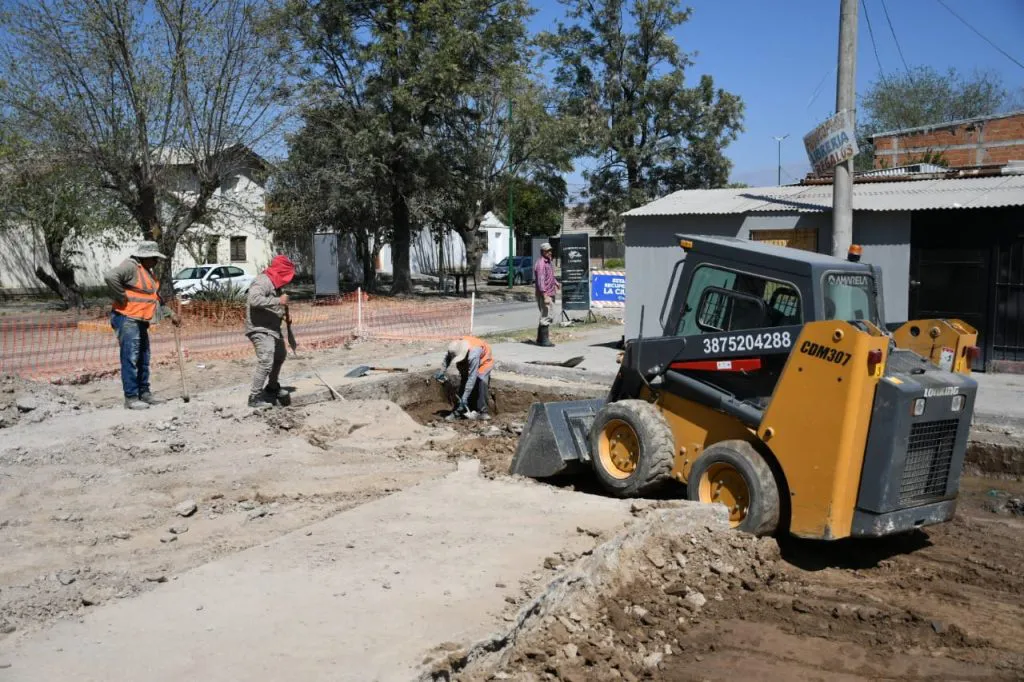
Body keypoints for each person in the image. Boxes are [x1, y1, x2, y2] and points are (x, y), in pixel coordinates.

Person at [104, 241, 181, 410]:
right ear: (145, 257)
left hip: (140, 320)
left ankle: (144, 393)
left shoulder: (147, 273)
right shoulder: (131, 266)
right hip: (127, 318)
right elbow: (110, 277)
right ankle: (131, 397)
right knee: (131, 358)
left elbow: (154, 299)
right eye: (154, 258)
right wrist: (121, 297)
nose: (156, 261)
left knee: (144, 358)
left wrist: (171, 314)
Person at [245, 255, 295, 408]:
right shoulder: (263, 281)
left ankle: (272, 387)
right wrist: (277, 301)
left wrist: (283, 314)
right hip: (259, 328)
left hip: (272, 328)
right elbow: (253, 300)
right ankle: (254, 397)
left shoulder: (276, 284)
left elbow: (273, 306)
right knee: (266, 360)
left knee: (280, 355)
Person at [435, 336, 494, 420]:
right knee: (464, 381)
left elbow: (472, 378)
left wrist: (465, 397)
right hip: (466, 358)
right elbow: (447, 359)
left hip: (484, 361)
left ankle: (483, 412)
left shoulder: (474, 354)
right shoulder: (454, 347)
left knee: (481, 382)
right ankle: (460, 410)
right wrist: (441, 371)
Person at [533, 242, 560, 347]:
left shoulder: (548, 262)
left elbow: (550, 276)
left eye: (550, 250)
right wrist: (544, 295)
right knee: (546, 315)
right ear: (543, 251)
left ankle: (540, 339)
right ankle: (544, 340)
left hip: (551, 291)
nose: (550, 252)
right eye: (547, 251)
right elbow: (540, 281)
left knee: (548, 314)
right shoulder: (541, 264)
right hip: (545, 293)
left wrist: (556, 283)